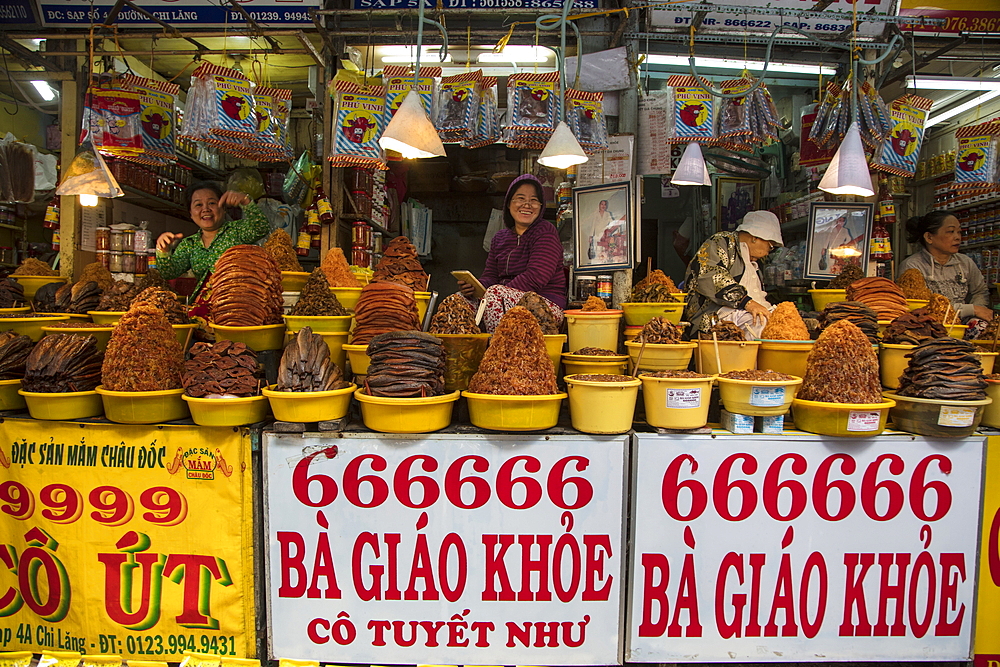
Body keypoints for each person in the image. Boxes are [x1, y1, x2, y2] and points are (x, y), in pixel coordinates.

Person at [458, 174, 566, 332]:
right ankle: (468, 350)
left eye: (534, 200)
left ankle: (498, 349)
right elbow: (490, 276)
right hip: (503, 300)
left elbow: (536, 277)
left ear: (541, 206)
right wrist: (475, 287)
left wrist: (495, 294)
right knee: (460, 299)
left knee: (495, 294)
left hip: (547, 307)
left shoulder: (545, 231)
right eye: (520, 198)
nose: (527, 205)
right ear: (509, 204)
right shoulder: (499, 238)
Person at [155, 181, 271, 299]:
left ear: (223, 208)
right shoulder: (189, 244)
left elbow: (261, 227)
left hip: (237, 305)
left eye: (212, 203)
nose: (206, 209)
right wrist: (163, 250)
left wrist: (245, 201)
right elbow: (169, 273)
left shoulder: (237, 231)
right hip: (203, 308)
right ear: (190, 213)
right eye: (198, 205)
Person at [682, 210, 783, 339]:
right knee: (762, 327)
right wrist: (747, 302)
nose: (769, 252)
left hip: (745, 315)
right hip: (714, 317)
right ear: (755, 237)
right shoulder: (721, 242)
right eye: (771, 246)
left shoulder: (754, 263)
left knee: (782, 325)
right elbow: (710, 275)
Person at [898, 210, 991, 320]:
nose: (957, 237)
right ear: (929, 237)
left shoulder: (965, 262)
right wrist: (970, 309)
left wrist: (975, 313)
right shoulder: (912, 266)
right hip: (928, 327)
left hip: (961, 325)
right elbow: (918, 307)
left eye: (959, 232)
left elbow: (980, 291)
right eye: (951, 231)